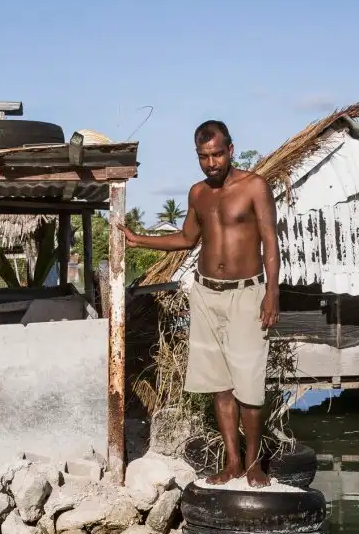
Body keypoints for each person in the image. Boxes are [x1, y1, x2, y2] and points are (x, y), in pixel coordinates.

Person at [117, 120, 279, 486]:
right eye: (204, 157)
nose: (211, 162)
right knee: (219, 385)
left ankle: (254, 464)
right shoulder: (197, 194)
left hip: (247, 293)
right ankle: (233, 462)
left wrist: (272, 292)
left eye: (217, 154)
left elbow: (270, 241)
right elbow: (188, 237)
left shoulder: (254, 186)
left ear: (231, 150)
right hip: (205, 294)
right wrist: (139, 240)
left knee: (249, 386)